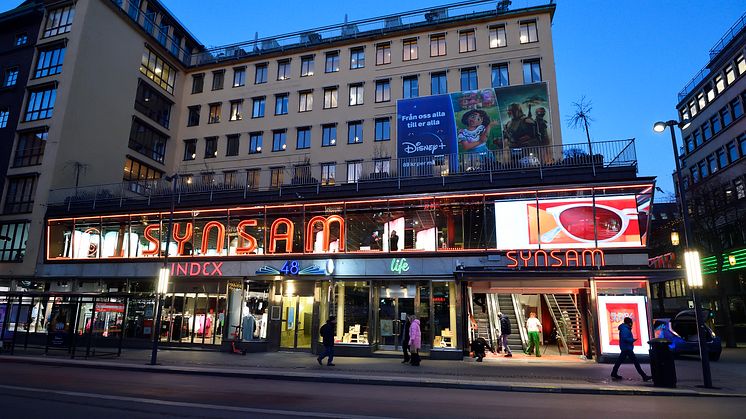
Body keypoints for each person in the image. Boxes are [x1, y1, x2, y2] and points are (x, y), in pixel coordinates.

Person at [611, 317, 652, 381]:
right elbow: (625, 338)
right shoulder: (625, 329)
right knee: (635, 362)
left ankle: (614, 373)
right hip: (627, 348)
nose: (632, 324)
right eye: (631, 322)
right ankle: (644, 376)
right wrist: (632, 340)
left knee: (619, 361)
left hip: (625, 348)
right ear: (629, 323)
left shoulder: (624, 328)